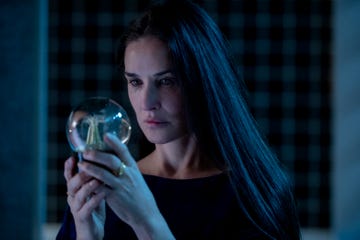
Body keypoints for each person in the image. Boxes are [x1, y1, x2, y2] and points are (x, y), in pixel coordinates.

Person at [56, 0, 301, 239]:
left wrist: (147, 221)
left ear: (203, 81)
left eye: (166, 81)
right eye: (135, 82)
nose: (146, 103)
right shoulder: (110, 184)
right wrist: (87, 232)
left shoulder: (255, 195)